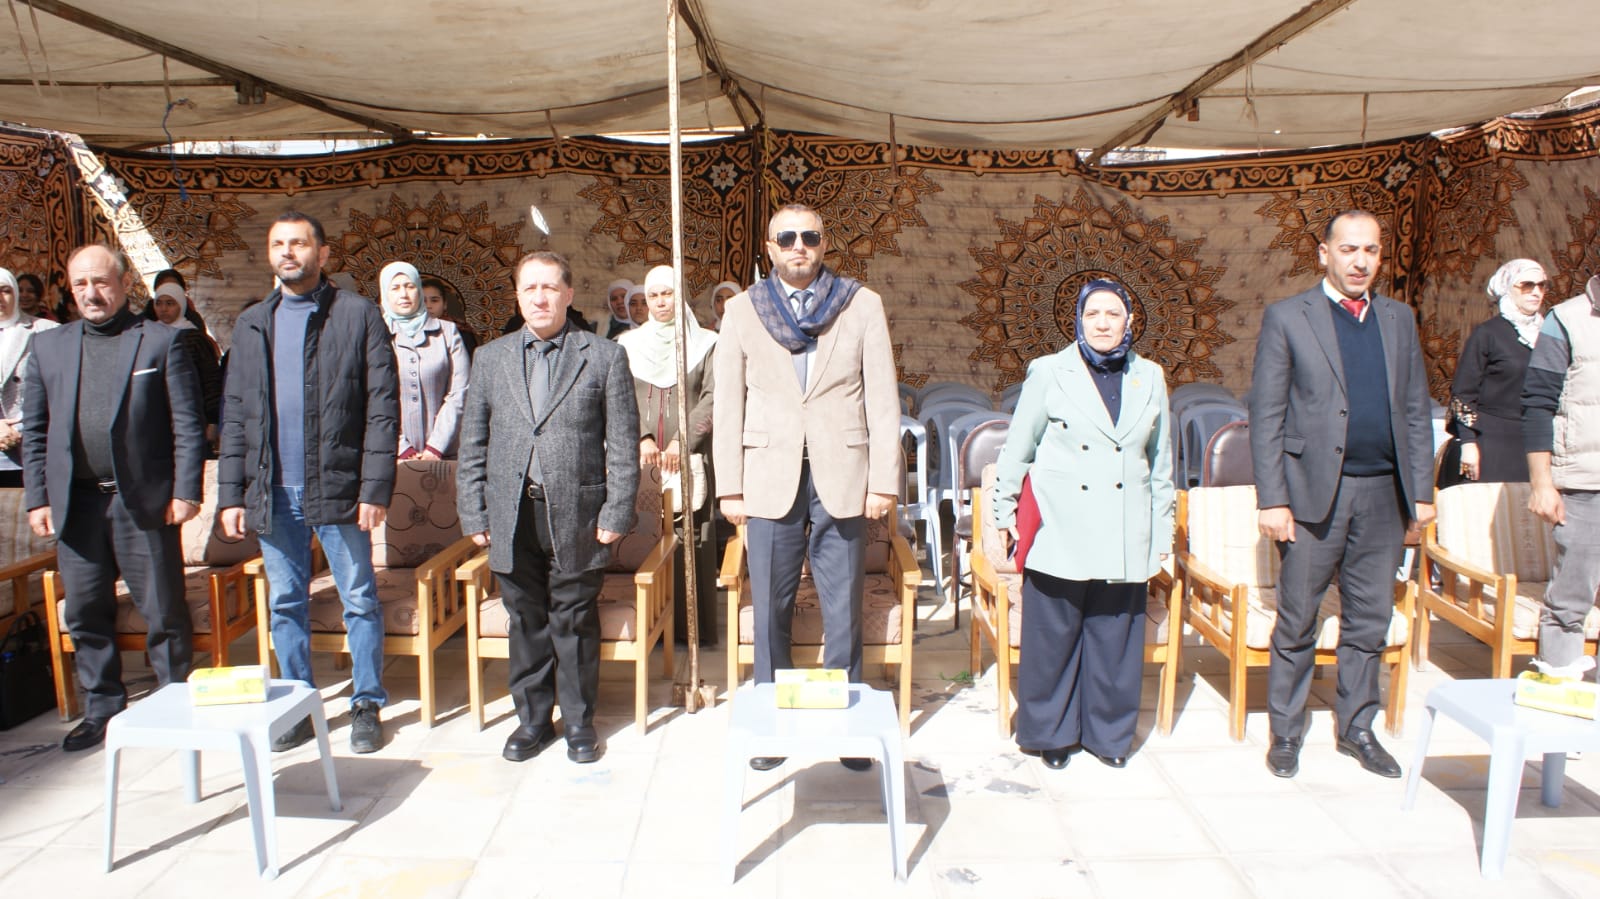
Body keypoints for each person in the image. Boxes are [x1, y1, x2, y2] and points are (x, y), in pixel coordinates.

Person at [713, 203, 900, 772]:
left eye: (810, 236)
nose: (799, 245)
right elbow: (728, 403)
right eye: (787, 237)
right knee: (770, 605)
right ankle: (772, 724)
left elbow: (883, 399)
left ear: (824, 243)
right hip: (768, 477)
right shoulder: (743, 310)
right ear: (769, 248)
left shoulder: (861, 304)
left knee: (843, 605)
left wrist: (884, 480)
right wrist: (729, 487)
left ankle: (847, 725)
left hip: (842, 474)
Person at [1249, 210, 1435, 780]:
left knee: (1369, 620)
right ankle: (1286, 732)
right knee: (1297, 620)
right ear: (1323, 253)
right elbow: (1267, 414)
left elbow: (1415, 410)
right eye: (1349, 249)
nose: (1360, 261)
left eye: (1371, 250)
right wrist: (1272, 499)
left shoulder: (1398, 319)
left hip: (1383, 495)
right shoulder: (1289, 317)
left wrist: (1421, 492)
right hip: (1311, 498)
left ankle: (1357, 728)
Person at [217, 212, 398, 755]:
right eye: (278, 243)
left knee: (358, 598)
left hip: (338, 487)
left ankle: (366, 703)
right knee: (285, 602)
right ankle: (298, 703)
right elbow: (234, 413)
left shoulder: (358, 314)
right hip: (272, 491)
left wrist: (374, 488)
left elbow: (382, 407)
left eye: (298, 243)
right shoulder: (252, 323)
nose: (288, 252)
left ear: (323, 253)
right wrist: (231, 494)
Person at [20, 244, 206, 751]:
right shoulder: (48, 347)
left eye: (101, 282)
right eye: (80, 284)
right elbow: (35, 431)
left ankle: (173, 703)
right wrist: (38, 498)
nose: (91, 293)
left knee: (163, 611)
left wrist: (186, 490)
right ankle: (102, 707)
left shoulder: (160, 341)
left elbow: (188, 425)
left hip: (141, 502)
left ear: (124, 284)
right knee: (84, 611)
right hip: (76, 503)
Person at [457, 251, 639, 764]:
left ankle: (579, 723)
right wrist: (473, 512)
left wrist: (616, 512)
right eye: (529, 288)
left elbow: (623, 444)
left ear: (568, 294)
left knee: (574, 621)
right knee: (525, 620)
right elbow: (473, 443)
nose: (539, 297)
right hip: (511, 513)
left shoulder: (603, 357)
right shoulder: (491, 358)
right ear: (517, 296)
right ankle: (533, 721)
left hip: (579, 514)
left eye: (549, 287)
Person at [991, 279, 1173, 771]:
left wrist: (1162, 533)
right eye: (1093, 314)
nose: (1103, 323)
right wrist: (1003, 510)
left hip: (1125, 527)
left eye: (1113, 314)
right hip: (1061, 525)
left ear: (1130, 321)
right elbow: (1018, 448)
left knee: (1115, 640)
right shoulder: (1049, 371)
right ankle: (1051, 733)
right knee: (1053, 637)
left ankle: (1109, 735)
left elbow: (1161, 464)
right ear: (1077, 319)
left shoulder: (1150, 376)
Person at [618, 264, 719, 645]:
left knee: (691, 537)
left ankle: (691, 630)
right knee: (644, 536)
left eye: (668, 293)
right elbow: (619, 397)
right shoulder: (628, 345)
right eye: (654, 295)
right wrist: (642, 438)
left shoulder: (706, 343)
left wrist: (682, 441)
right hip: (643, 459)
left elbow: (714, 396)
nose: (661, 302)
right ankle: (649, 629)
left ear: (681, 295)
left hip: (690, 457)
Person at [1523, 273, 1600, 676]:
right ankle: (1559, 699)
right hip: (1586, 484)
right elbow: (1538, 402)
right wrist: (1542, 483)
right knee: (1570, 604)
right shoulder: (1567, 320)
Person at [1439, 259, 1548, 487]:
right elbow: (1463, 393)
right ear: (1508, 287)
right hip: (1491, 442)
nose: (1536, 292)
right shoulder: (1488, 334)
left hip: (1534, 443)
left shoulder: (1549, 336)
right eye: (1527, 285)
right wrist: (1468, 443)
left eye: (1541, 285)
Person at [381, 262, 469, 460]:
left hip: (445, 454)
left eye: (410, 286)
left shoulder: (447, 332)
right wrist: (402, 448)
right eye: (395, 288)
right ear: (385, 294)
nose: (404, 294)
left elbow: (460, 391)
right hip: (391, 455)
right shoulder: (376, 334)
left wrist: (436, 447)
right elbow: (373, 398)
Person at [0, 267, 59, 487]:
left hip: (27, 448)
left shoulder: (46, 330)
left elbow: (57, 388)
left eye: (5, 290)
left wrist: (19, 427)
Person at [150, 281, 223, 444]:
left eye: (170, 303)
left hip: (190, 415)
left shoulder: (194, 338)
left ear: (181, 305)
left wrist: (212, 420)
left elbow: (210, 380)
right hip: (157, 418)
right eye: (159, 303)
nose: (163, 309)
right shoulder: (147, 336)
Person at [422, 275, 480, 356]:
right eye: (423, 301)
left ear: (445, 304)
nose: (428, 306)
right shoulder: (408, 332)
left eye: (434, 300)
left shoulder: (460, 332)